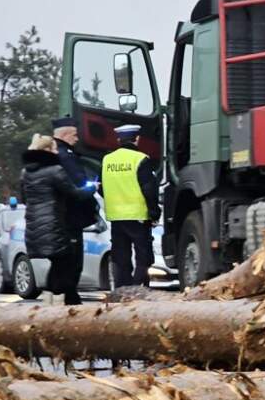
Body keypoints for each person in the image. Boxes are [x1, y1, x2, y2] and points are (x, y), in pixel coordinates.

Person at [20, 134, 93, 305]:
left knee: (58, 262)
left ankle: (52, 300)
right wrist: (91, 189)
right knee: (67, 262)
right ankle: (60, 301)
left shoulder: (25, 173)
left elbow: (24, 199)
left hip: (33, 225)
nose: (56, 152)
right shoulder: (55, 171)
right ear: (46, 150)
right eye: (53, 148)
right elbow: (75, 193)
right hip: (54, 224)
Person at [100, 123, 160, 287]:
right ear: (137, 139)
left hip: (116, 217)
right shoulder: (140, 159)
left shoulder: (107, 160)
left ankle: (122, 290)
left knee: (121, 257)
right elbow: (149, 189)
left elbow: (101, 187)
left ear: (119, 140)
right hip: (138, 216)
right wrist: (154, 213)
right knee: (143, 257)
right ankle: (138, 289)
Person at [50, 115, 99, 232]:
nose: (77, 139)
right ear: (64, 135)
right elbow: (79, 183)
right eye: (74, 135)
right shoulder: (66, 156)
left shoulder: (53, 152)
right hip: (71, 216)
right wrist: (93, 187)